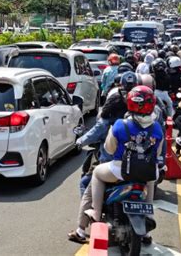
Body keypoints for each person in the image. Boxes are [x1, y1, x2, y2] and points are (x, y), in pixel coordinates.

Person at [68, 73, 136, 243]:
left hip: (113, 164)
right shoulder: (142, 121)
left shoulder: (112, 124)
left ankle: (83, 228)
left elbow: (106, 145)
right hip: (140, 166)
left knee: (85, 184)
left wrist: (79, 141)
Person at [84, 86, 164, 223]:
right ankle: (149, 214)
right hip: (148, 170)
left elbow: (109, 150)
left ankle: (96, 213)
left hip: (121, 170)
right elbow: (157, 153)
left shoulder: (120, 125)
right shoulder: (157, 128)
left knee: (97, 173)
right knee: (151, 177)